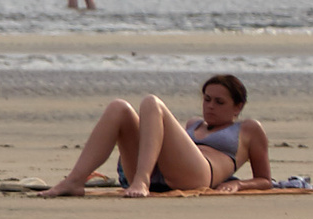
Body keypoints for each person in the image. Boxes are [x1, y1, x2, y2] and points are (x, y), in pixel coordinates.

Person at [35, 74, 274, 197]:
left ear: (237, 107)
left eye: (219, 102)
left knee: (152, 103)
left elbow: (265, 179)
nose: (210, 106)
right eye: (207, 99)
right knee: (119, 108)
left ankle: (142, 179)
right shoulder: (194, 123)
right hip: (164, 172)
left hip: (200, 174)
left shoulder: (249, 129)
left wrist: (239, 185)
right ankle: (75, 181)